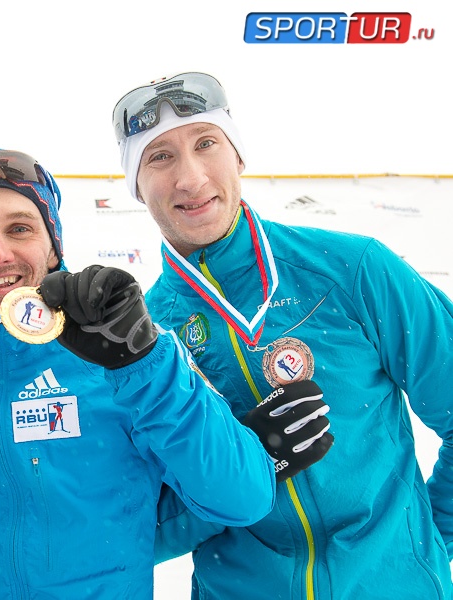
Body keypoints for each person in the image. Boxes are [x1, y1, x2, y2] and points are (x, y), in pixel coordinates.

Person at [0, 148, 331, 598]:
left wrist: (143, 364)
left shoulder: (127, 353)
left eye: (20, 228)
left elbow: (240, 498)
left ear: (53, 247)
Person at [112, 72, 453, 599]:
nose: (190, 177)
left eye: (206, 144)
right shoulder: (149, 340)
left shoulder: (353, 269)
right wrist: (240, 468)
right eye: (158, 157)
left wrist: (425, 546)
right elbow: (144, 528)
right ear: (136, 184)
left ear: (238, 156)